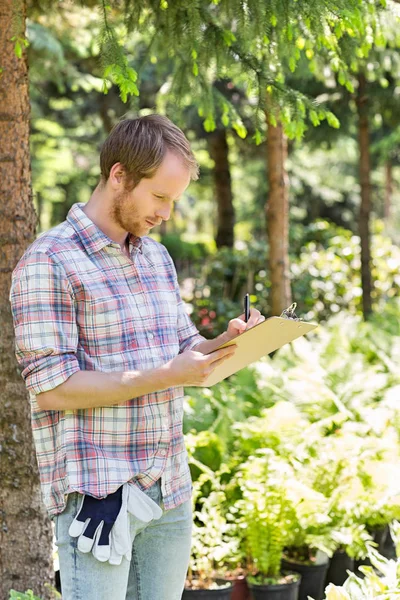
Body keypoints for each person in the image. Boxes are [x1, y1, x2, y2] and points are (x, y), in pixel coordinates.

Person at [9, 115, 264, 600]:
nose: (166, 213)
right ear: (119, 176)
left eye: (174, 200)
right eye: (160, 197)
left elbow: (180, 349)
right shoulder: (50, 261)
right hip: (100, 499)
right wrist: (169, 374)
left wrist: (224, 344)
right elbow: (53, 389)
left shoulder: (155, 257)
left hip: (169, 491)